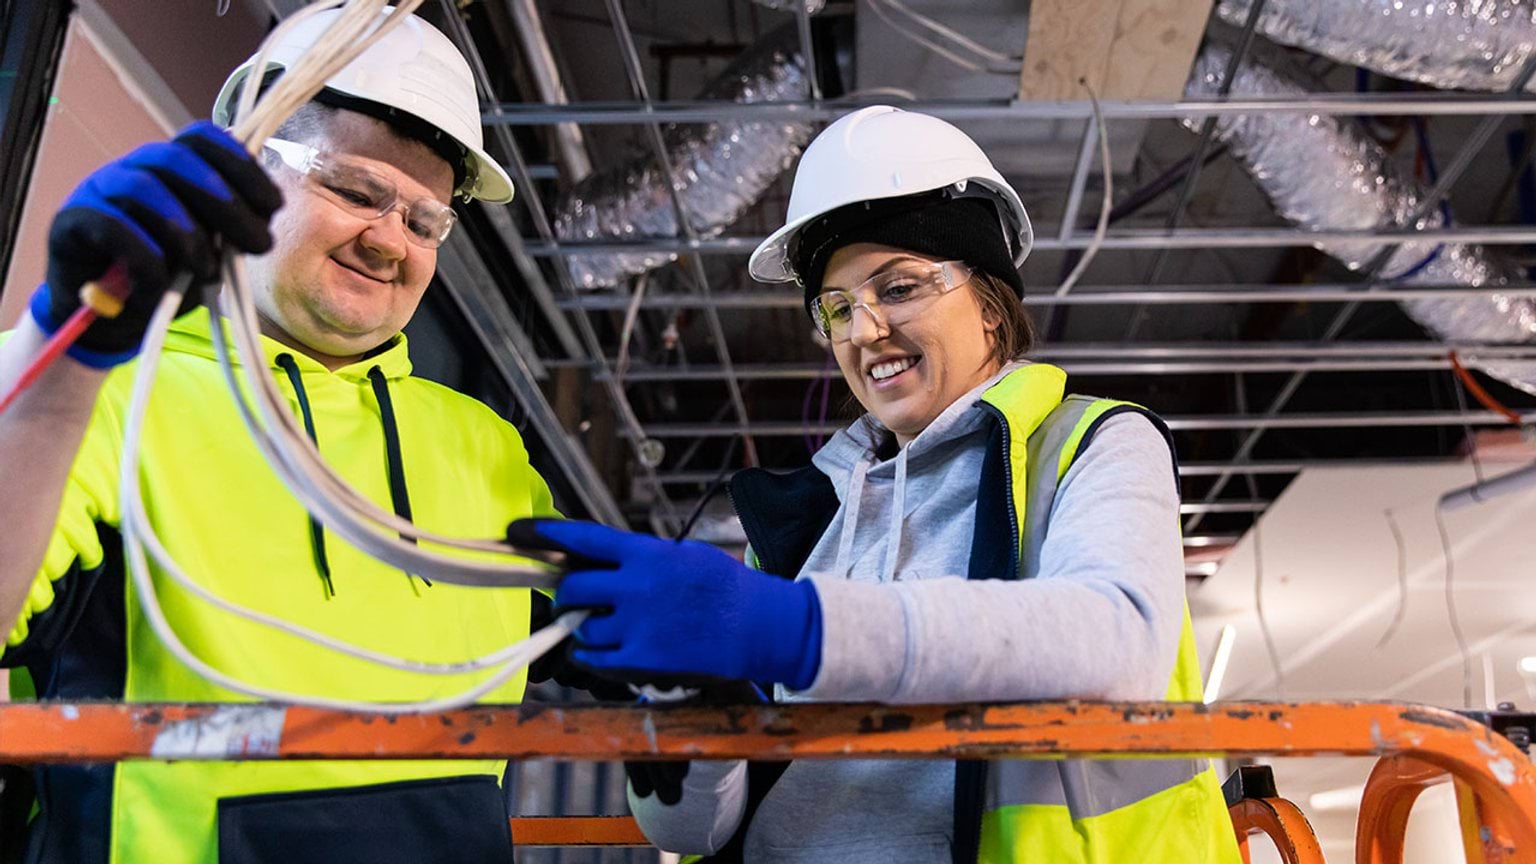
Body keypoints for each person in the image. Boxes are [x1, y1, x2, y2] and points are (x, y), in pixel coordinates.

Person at [517, 106, 1243, 863]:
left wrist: (798, 629)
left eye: (898, 288)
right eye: (837, 308)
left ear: (991, 306)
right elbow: (689, 833)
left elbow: (1118, 641)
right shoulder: (807, 524)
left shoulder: (1092, 443)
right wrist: (689, 713)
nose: (863, 332)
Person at [0, 11, 557, 863]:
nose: (388, 241)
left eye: (424, 221)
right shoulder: (107, 394)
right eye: (356, 190)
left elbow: (618, 651)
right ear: (250, 164)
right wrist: (62, 349)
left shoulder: (488, 448)